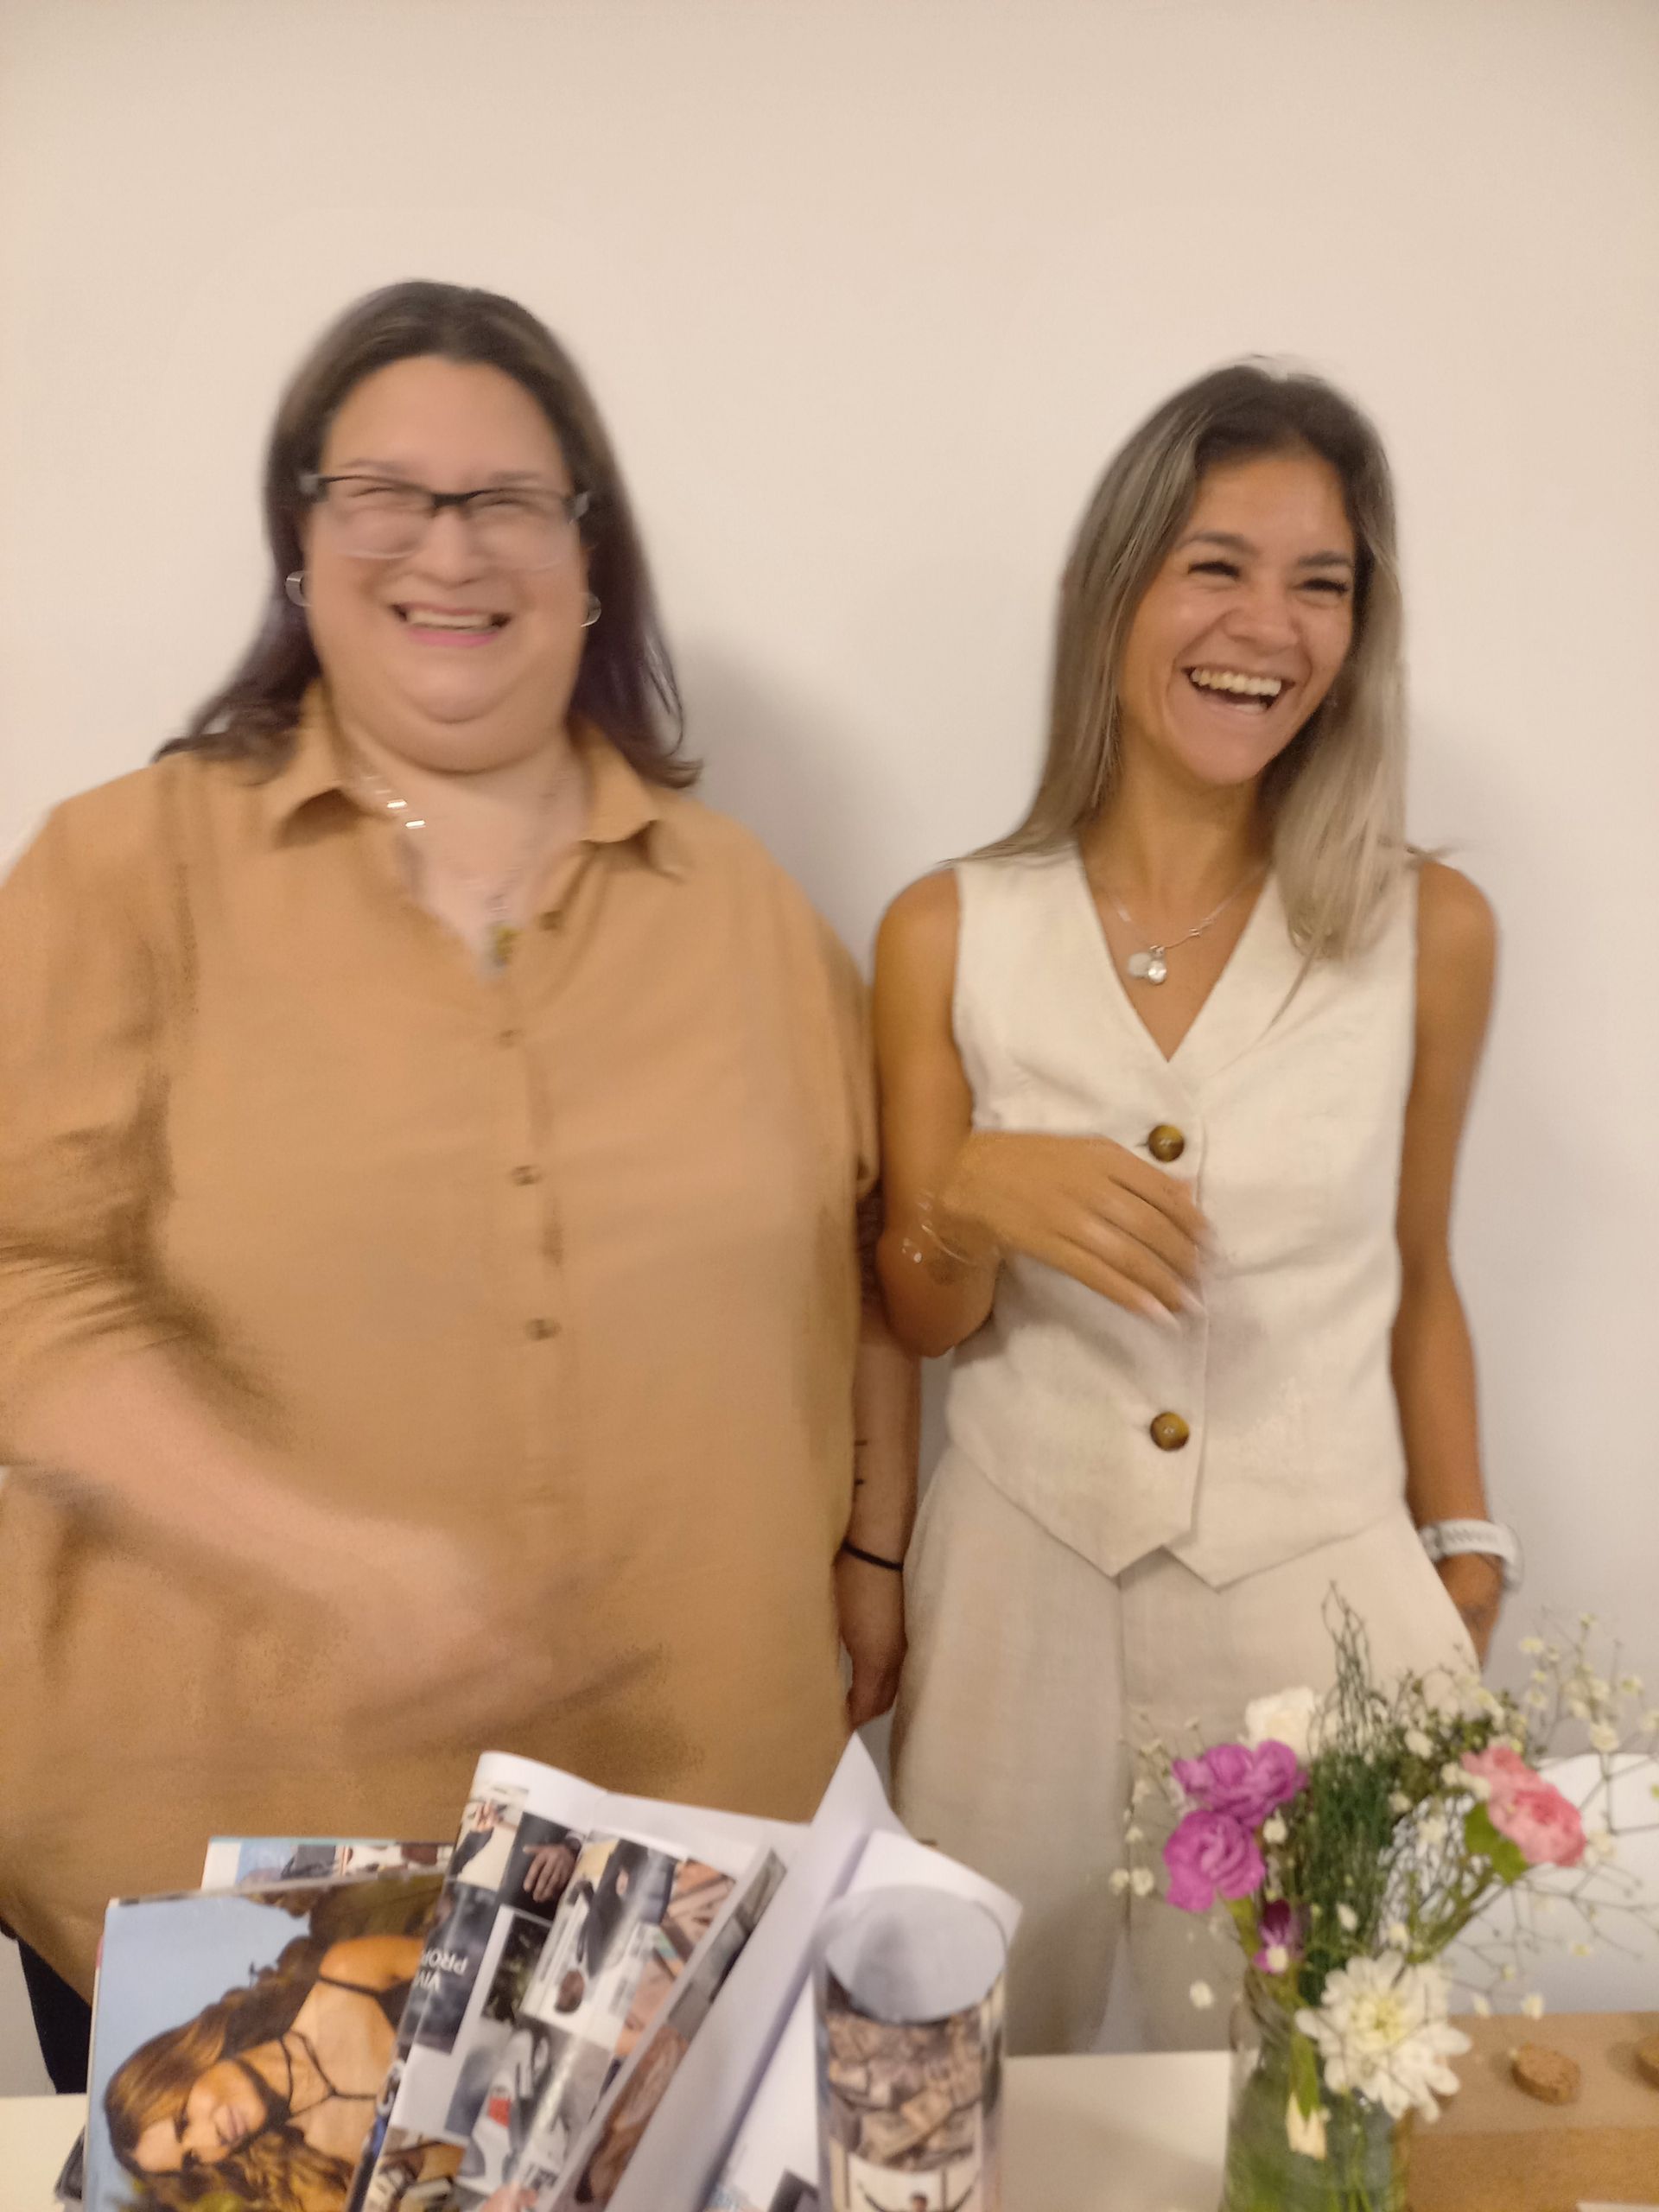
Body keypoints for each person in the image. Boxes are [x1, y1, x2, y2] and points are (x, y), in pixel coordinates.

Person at [0, 281, 916, 2028]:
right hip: (237, 1903)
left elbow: (866, 1262)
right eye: (384, 494)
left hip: (664, 1885)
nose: (448, 544)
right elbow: (19, 1287)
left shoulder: (749, 913)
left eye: (507, 498)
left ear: (589, 558)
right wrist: (327, 1554)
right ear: (302, 542)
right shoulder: (125, 871)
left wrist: (873, 1555)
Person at [875, 362, 1510, 2056]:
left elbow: (1424, 1268)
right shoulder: (947, 929)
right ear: (1117, 593)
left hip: (1314, 1602)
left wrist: (1465, 1560)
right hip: (1016, 1600)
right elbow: (919, 1312)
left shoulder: (1429, 927)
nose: (1271, 625)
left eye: (1324, 582)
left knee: (1300, 2105)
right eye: (1218, 564)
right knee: (961, 2083)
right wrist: (962, 1190)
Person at [105, 1929, 425, 2209]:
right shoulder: (320, 2186)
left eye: (184, 2121)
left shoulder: (352, 1976)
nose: (209, 2141)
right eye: (192, 2158)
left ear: (191, 2061)